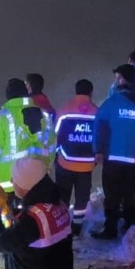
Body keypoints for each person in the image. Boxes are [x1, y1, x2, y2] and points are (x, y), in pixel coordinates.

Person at [90, 65, 135, 239]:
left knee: (112, 195)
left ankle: (110, 229)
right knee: (130, 193)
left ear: (123, 80)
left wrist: (98, 150)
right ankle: (131, 228)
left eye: (118, 78)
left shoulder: (112, 103)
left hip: (114, 157)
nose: (115, 81)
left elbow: (99, 126)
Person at [0, 79, 53, 195]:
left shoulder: (5, 115)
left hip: (11, 183)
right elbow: (51, 146)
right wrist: (47, 169)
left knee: (13, 213)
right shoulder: (45, 115)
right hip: (38, 181)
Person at [54, 79, 98, 236]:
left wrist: (58, 152)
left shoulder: (65, 110)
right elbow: (100, 138)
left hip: (65, 162)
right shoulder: (96, 112)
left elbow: (55, 134)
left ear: (76, 91)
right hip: (86, 166)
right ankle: (77, 227)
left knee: (62, 197)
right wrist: (95, 158)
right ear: (91, 93)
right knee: (82, 198)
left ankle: (62, 225)